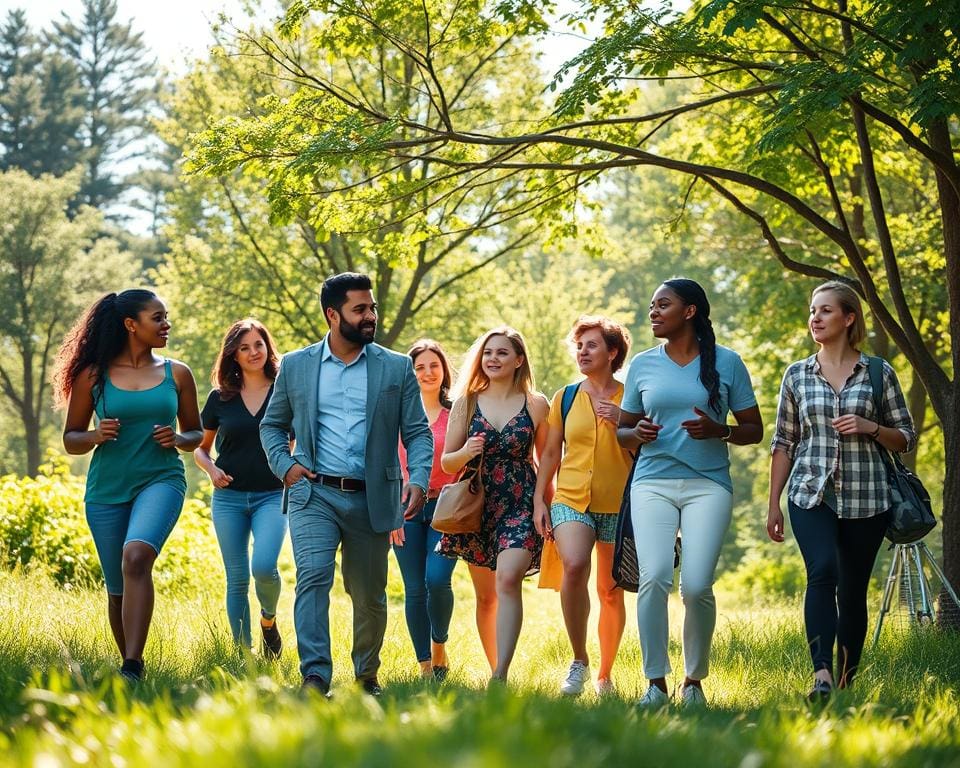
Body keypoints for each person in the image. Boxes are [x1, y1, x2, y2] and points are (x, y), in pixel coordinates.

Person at [259, 272, 433, 697]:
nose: (370, 315)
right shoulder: (297, 365)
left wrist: (420, 479)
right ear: (333, 314)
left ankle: (366, 676)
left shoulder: (396, 366)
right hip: (312, 492)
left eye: (372, 307)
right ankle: (315, 676)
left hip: (373, 497)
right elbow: (272, 425)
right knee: (313, 576)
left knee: (369, 594)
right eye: (360, 309)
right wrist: (286, 466)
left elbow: (418, 432)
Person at [617, 278, 763, 709]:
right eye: (651, 305)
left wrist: (722, 431)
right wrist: (636, 432)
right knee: (655, 576)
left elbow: (754, 430)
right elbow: (623, 432)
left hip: (708, 485)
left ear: (690, 311)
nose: (653, 312)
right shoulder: (643, 364)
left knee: (697, 585)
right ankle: (655, 684)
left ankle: (694, 682)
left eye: (663, 304)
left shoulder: (728, 363)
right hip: (652, 482)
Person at [768, 280, 916, 702]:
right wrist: (774, 503)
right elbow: (783, 442)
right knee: (822, 573)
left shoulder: (877, 373)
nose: (815, 317)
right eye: (813, 310)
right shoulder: (796, 374)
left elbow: (906, 437)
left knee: (852, 590)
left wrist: (870, 427)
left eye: (825, 310)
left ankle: (848, 682)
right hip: (810, 494)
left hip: (868, 497)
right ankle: (822, 676)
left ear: (849, 318)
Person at [52, 289, 202, 682]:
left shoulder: (177, 373)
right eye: (158, 318)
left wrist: (179, 440)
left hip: (161, 479)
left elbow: (197, 433)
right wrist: (95, 435)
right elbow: (71, 439)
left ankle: (132, 665)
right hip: (106, 489)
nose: (166, 324)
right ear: (131, 324)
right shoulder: (92, 376)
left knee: (136, 556)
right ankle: (131, 670)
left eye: (166, 316)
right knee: (117, 586)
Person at [437, 326, 550, 685]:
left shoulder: (536, 403)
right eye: (488, 353)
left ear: (519, 360)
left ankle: (501, 675)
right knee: (486, 599)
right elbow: (447, 464)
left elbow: (547, 456)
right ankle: (494, 666)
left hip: (520, 500)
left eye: (502, 353)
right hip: (479, 504)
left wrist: (542, 502)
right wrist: (466, 451)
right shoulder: (466, 402)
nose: (493, 359)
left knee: (508, 578)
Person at [533, 316, 633, 697]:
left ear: (612, 352)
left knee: (610, 590)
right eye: (579, 346)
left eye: (591, 345)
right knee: (574, 565)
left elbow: (647, 446)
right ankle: (579, 661)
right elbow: (551, 452)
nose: (582, 352)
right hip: (571, 498)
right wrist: (541, 500)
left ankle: (605, 675)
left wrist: (623, 420)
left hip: (617, 502)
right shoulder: (567, 396)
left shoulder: (631, 395)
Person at [194, 319, 287, 658]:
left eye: (258, 345)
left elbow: (298, 438)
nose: (253, 353)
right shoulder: (221, 398)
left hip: (272, 495)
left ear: (268, 347)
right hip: (229, 499)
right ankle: (242, 656)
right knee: (236, 578)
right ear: (233, 354)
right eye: (244, 347)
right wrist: (211, 469)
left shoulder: (284, 389)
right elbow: (200, 448)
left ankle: (268, 620)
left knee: (263, 566)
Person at [390, 339, 460, 681]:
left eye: (434, 365)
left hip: (446, 507)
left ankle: (439, 643)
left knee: (437, 579)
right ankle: (425, 666)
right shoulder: (398, 414)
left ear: (444, 369)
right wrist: (391, 512)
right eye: (419, 367)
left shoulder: (457, 412)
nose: (427, 372)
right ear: (410, 373)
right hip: (404, 509)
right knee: (415, 588)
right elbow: (387, 463)